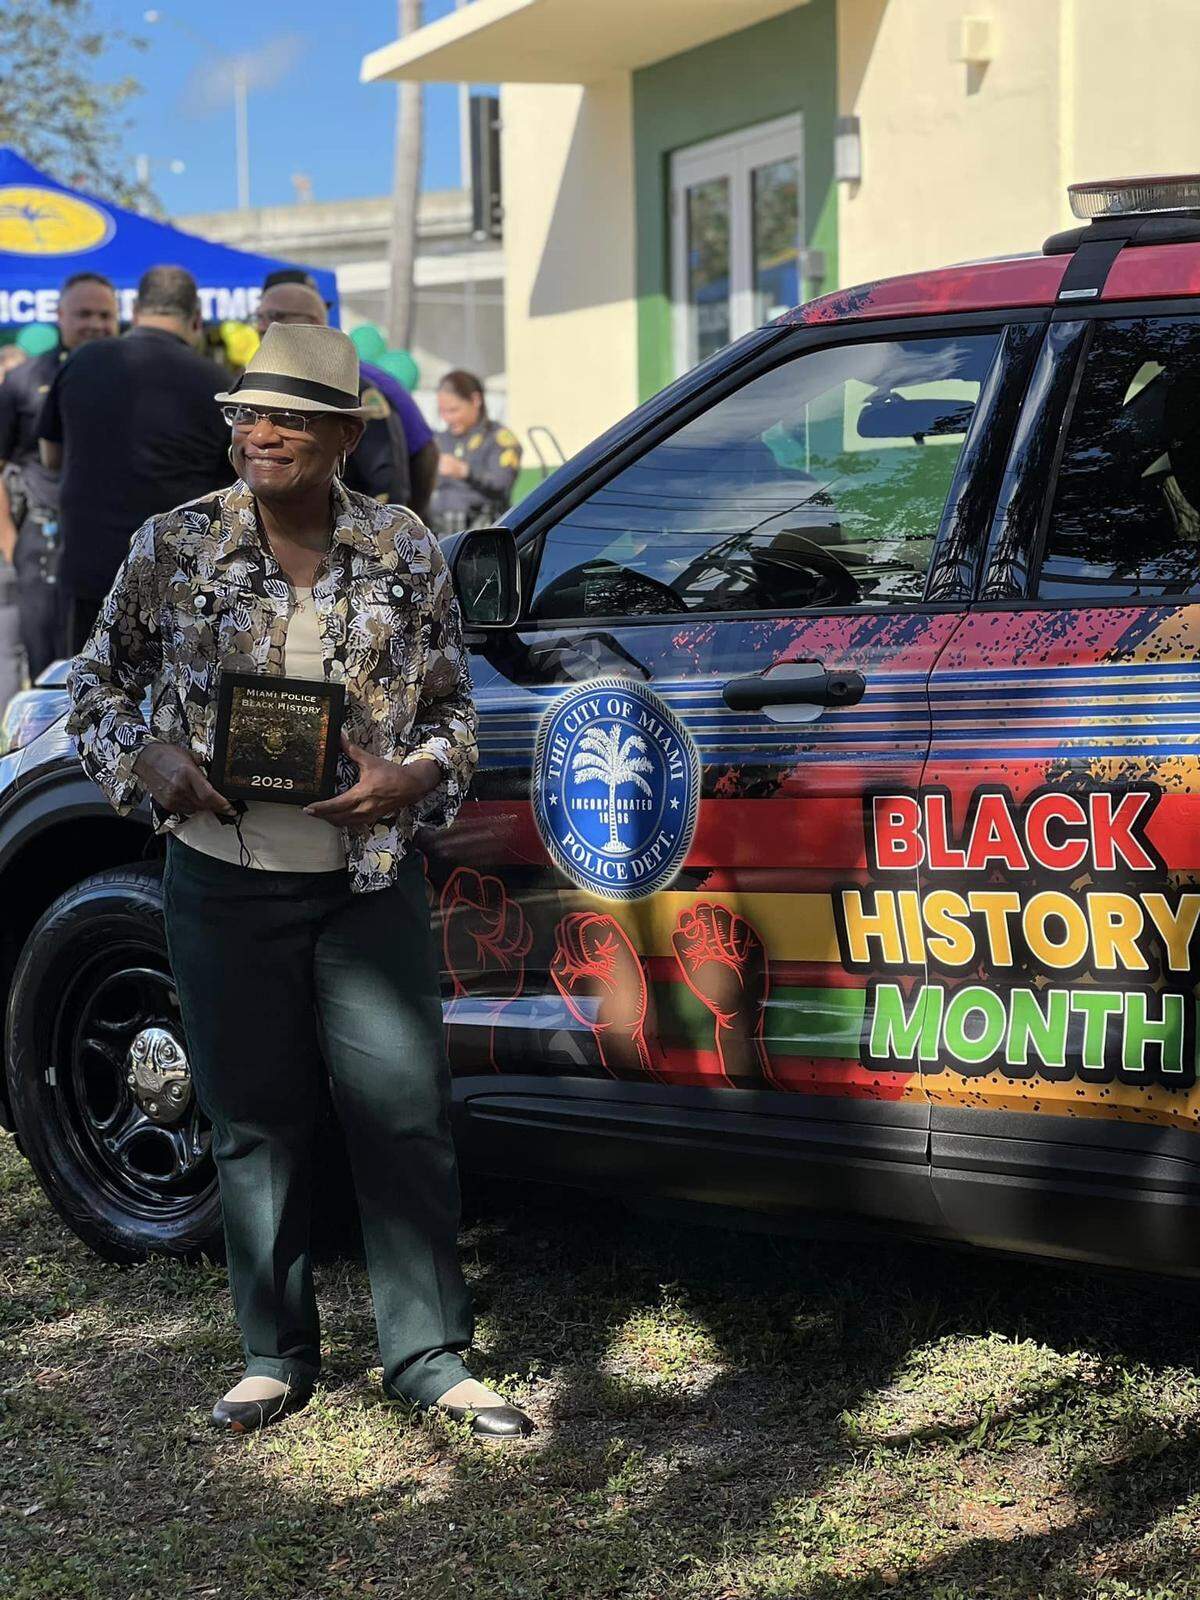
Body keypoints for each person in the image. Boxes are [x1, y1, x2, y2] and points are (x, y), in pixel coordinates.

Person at [65, 323, 535, 1442]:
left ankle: (425, 1352)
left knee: (403, 1113)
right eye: (246, 415)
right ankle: (274, 1352)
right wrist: (151, 764)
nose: (258, 433)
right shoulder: (172, 546)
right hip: (221, 878)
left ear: (338, 437)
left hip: (366, 882)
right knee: (254, 1120)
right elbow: (96, 685)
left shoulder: (406, 546)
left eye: (285, 418)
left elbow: (455, 716)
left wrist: (405, 776)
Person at [38, 266, 233, 656]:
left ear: (135, 310)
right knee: (176, 708)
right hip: (180, 580)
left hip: (90, 571)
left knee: (90, 698)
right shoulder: (218, 383)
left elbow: (50, 457)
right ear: (196, 318)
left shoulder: (81, 362)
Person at [0, 273, 119, 680]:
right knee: (46, 662)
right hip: (43, 541)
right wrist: (10, 541)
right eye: (83, 313)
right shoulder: (23, 380)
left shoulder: (132, 377)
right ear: (60, 315)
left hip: (115, 539)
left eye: (105, 315)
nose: (95, 324)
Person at [256, 272, 438, 519]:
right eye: (259, 317)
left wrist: (411, 519)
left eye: (277, 317)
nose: (262, 327)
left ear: (316, 321)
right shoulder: (253, 386)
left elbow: (414, 458)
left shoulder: (361, 385)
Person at [429, 370, 522, 537]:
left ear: (475, 400)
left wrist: (465, 472)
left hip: (479, 536)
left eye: (453, 410)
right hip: (437, 535)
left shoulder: (498, 439)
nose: (447, 418)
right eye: (442, 411)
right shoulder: (439, 440)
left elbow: (502, 483)